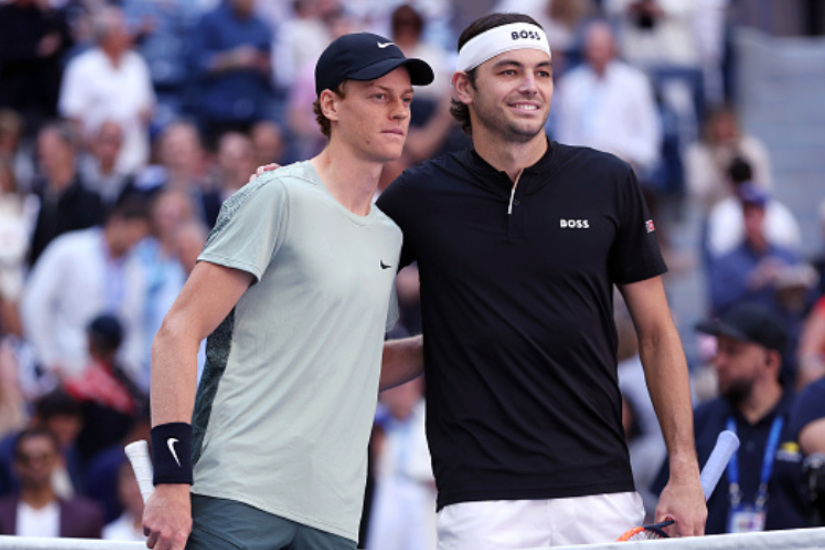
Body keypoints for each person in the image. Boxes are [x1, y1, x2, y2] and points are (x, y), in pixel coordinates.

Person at [374, 12, 705, 548]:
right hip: (480, 500)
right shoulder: (418, 194)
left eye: (544, 72)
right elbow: (340, 278)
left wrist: (685, 473)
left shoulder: (609, 181)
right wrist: (286, 193)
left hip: (602, 490)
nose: (531, 85)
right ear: (464, 87)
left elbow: (659, 334)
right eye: (509, 71)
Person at [141, 32, 433, 550]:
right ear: (329, 104)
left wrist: (441, 346)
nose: (399, 112)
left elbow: (352, 363)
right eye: (379, 95)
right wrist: (170, 479)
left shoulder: (389, 233)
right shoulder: (275, 193)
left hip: (335, 511)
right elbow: (177, 333)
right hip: (238, 490)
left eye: (406, 99)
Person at [654, 302, 809, 534]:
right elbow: (665, 504)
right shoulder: (701, 419)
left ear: (770, 362)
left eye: (733, 351)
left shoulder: (805, 421)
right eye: (718, 350)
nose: (719, 362)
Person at [0, 427, 103, 537]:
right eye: (27, 458)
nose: (36, 465)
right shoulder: (2, 514)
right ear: (16, 464)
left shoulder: (86, 516)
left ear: (59, 460)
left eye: (44, 457)